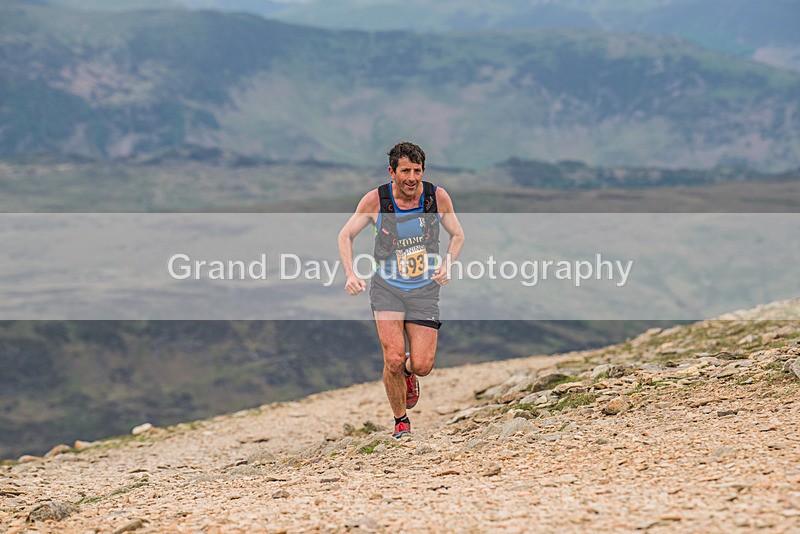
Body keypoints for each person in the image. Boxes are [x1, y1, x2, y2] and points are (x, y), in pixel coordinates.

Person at [338, 141, 465, 439]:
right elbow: (345, 235)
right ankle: (401, 422)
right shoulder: (375, 200)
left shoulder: (436, 197)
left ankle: (408, 375)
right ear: (392, 172)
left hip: (424, 289)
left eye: (417, 171)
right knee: (393, 357)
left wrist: (447, 263)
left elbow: (457, 234)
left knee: (421, 365)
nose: (411, 177)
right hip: (387, 288)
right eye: (405, 171)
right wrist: (350, 273)